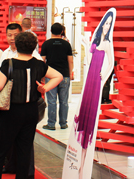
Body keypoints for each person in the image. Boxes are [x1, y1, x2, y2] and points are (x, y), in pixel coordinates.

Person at [0, 32, 62, 179]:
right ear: (34, 47)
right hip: (31, 111)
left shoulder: (9, 63)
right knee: (24, 150)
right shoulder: (39, 64)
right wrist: (44, 88)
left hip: (11, 111)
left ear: (16, 45)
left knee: (0, 150)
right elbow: (58, 76)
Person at [74, 11, 115, 178]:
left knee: (89, 122)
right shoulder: (96, 40)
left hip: (96, 82)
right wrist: (86, 45)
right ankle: (79, 165)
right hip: (89, 80)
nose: (107, 26)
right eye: (106, 22)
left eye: (109, 24)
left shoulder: (107, 43)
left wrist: (103, 76)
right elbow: (89, 61)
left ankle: (83, 167)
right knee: (84, 119)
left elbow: (111, 63)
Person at [41, 23, 73, 130]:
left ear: (51, 31)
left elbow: (42, 61)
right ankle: (63, 123)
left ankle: (51, 124)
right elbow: (70, 61)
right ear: (62, 32)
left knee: (51, 100)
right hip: (64, 75)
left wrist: (42, 74)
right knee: (64, 101)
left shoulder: (46, 44)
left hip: (51, 76)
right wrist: (70, 73)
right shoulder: (66, 44)